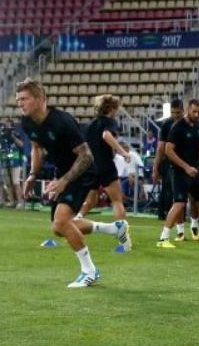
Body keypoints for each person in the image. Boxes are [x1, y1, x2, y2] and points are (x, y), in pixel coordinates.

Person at [17, 79, 130, 288]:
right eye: (18, 99)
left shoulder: (62, 121)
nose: (19, 103)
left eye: (24, 99)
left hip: (82, 170)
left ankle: (89, 271)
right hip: (64, 173)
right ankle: (113, 229)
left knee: (61, 222)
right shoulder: (27, 122)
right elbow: (36, 148)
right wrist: (33, 174)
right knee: (59, 229)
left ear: (41, 99)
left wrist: (63, 181)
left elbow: (86, 156)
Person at [156, 99, 199, 248]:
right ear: (188, 110)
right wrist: (186, 167)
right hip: (180, 172)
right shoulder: (177, 127)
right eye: (194, 112)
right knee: (179, 204)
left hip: (196, 171)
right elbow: (168, 150)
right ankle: (163, 238)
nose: (197, 114)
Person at [76, 94, 131, 227]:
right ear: (111, 108)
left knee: (91, 201)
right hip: (105, 165)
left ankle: (75, 221)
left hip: (91, 166)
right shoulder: (110, 121)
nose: (117, 111)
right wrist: (123, 152)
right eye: (116, 108)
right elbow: (106, 135)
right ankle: (123, 238)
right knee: (117, 201)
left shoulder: (89, 125)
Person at [153, 100, 184, 222]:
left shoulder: (189, 124)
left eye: (178, 112)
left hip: (185, 161)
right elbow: (160, 148)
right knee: (168, 190)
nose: (175, 115)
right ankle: (166, 214)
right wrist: (156, 168)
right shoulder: (166, 125)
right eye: (173, 112)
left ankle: (182, 217)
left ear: (183, 110)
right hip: (169, 162)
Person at [0, 119, 26, 208]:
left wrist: (13, 137)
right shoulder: (1, 136)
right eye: (5, 125)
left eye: (8, 125)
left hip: (15, 162)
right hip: (5, 162)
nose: (7, 127)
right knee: (8, 184)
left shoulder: (16, 134)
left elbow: (21, 145)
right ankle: (12, 202)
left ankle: (21, 202)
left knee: (16, 183)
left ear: (12, 126)